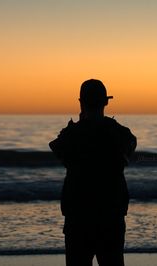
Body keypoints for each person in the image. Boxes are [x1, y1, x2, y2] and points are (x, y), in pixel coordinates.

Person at [49, 79, 137, 266]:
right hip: (111, 215)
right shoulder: (121, 134)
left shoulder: (70, 135)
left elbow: (58, 150)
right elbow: (130, 148)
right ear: (106, 102)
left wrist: (81, 125)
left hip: (78, 216)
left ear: (81, 102)